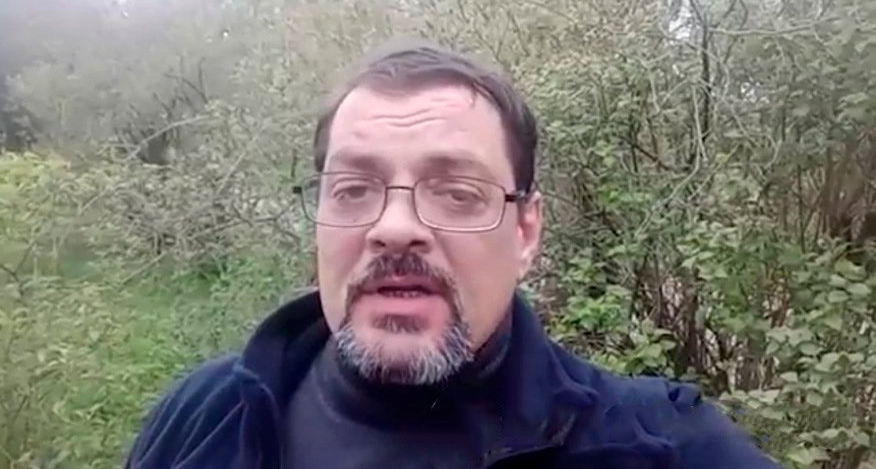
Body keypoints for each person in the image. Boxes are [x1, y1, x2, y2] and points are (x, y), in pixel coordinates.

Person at [124, 39, 781, 469]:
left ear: (525, 232)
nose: (395, 228)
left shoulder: (660, 447)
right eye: (353, 189)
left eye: (457, 193)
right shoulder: (206, 416)